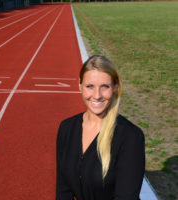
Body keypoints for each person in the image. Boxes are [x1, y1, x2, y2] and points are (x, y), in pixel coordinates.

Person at [56, 55, 145, 200]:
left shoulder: (131, 137)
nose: (97, 96)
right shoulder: (67, 128)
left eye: (105, 87)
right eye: (90, 86)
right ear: (80, 86)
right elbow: (63, 191)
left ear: (115, 87)